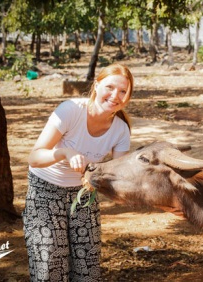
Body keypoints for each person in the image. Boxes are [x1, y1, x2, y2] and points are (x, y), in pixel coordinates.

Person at [22, 63, 134, 281]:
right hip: (45, 193)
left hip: (84, 196)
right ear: (96, 85)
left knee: (87, 270)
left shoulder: (121, 130)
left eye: (123, 91)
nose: (115, 96)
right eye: (110, 87)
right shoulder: (71, 110)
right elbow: (34, 158)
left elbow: (117, 178)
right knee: (50, 268)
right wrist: (64, 152)